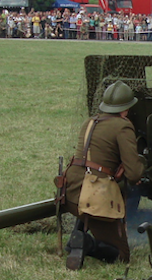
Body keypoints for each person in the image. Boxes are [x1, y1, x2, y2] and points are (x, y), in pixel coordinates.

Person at [62, 81, 145, 270]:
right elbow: (133, 173)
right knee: (121, 255)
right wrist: (140, 170)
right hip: (95, 196)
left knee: (86, 203)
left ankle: (75, 238)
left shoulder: (89, 122)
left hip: (71, 191)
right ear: (126, 109)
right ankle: (86, 244)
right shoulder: (123, 126)